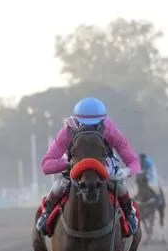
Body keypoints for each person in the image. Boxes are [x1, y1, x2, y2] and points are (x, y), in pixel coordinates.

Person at [36, 97, 140, 235]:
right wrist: (67, 163)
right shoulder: (68, 130)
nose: (89, 127)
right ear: (76, 119)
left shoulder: (110, 129)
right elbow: (46, 164)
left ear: (103, 120)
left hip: (103, 166)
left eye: (94, 124)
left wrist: (126, 172)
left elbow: (134, 161)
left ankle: (129, 214)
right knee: (60, 185)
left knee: (119, 185)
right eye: (83, 124)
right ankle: (46, 213)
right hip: (75, 166)